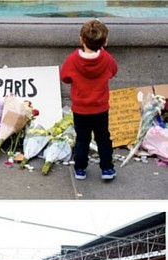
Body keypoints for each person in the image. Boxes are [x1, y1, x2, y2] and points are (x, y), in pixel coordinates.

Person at [60, 19, 118, 180]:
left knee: (82, 139)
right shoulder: (107, 59)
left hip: (80, 109)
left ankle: (80, 169)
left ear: (81, 39)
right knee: (103, 138)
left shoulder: (72, 60)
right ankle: (107, 168)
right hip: (100, 108)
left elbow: (64, 77)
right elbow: (113, 72)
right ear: (105, 42)